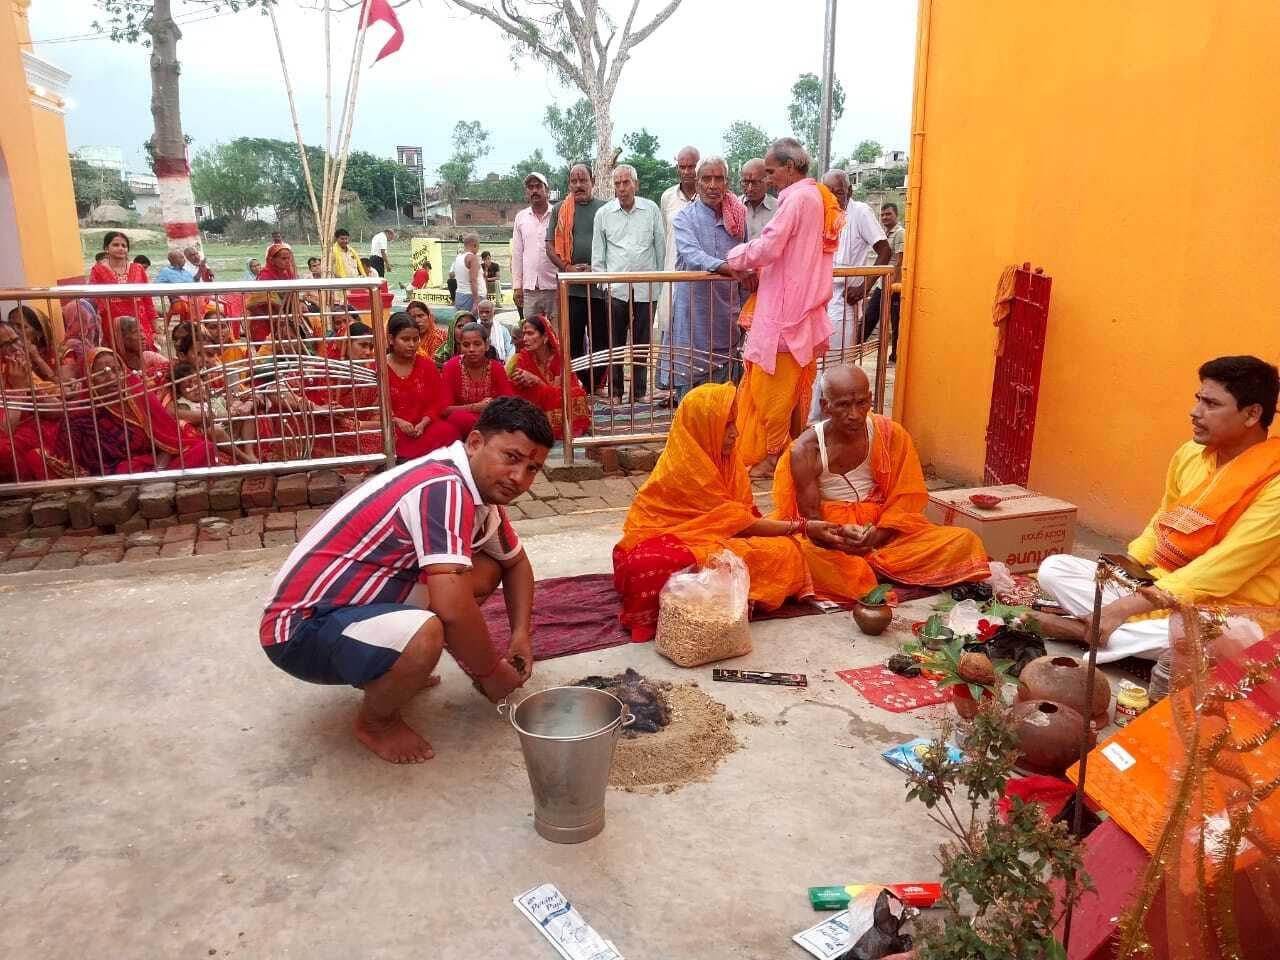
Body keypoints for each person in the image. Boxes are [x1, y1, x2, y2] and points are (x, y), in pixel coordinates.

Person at [259, 397, 551, 763]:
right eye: (511, 458)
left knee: (487, 567)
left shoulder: (476, 492)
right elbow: (454, 608)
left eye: (532, 468)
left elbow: (516, 563)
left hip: (350, 612)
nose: (519, 478)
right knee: (429, 631)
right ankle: (377, 721)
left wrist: (520, 634)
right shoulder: (443, 486)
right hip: (299, 633)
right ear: (475, 443)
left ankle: (393, 667)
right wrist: (491, 673)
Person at [1033, 356, 1280, 663]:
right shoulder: (1191, 454)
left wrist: (1126, 606)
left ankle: (1090, 630)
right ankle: (1107, 632)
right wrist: (1129, 570)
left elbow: (1224, 567)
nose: (1195, 412)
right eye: (1198, 399)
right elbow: (1162, 520)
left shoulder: (1274, 482)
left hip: (1234, 610)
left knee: (1215, 637)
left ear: (1252, 413)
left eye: (1212, 404)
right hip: (1164, 585)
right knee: (1055, 569)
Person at [613, 382, 818, 642]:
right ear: (702, 429)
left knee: (785, 551)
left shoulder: (730, 463)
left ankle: (717, 598)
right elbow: (743, 524)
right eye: (726, 426)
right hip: (671, 543)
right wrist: (802, 526)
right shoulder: (684, 466)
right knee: (646, 565)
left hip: (720, 540)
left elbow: (743, 520)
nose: (735, 433)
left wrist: (792, 530)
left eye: (734, 424)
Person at [772, 366, 990, 599]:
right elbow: (811, 521)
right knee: (795, 555)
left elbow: (905, 500)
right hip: (834, 540)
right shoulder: (805, 450)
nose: (854, 414)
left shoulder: (889, 434)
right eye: (844, 405)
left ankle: (872, 572)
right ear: (826, 406)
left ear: (870, 400)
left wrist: (878, 535)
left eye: (861, 403)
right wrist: (841, 537)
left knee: (963, 541)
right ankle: (879, 572)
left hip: (885, 532)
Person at [726, 138, 846, 476]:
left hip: (785, 313)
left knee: (771, 392)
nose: (767, 179)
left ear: (789, 168)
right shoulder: (816, 198)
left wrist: (732, 257)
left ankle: (775, 454)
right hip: (799, 309)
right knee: (792, 390)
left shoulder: (798, 200)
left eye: (770, 171)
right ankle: (794, 452)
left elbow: (770, 245)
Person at [663, 156, 750, 400]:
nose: (713, 185)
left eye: (719, 178)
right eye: (707, 179)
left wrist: (745, 310)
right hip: (694, 313)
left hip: (727, 315)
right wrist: (727, 267)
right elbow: (692, 255)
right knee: (693, 391)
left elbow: (745, 259)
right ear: (698, 183)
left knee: (726, 397)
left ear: (727, 182)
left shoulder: (738, 218)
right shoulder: (684, 218)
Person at [68, 347, 220, 475]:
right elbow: (86, 465)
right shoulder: (81, 415)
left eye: (117, 370)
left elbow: (169, 439)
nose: (112, 378)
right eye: (102, 373)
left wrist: (158, 469)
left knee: (206, 449)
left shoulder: (140, 397)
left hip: (156, 464)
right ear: (88, 377)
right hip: (119, 473)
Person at [590, 163, 665, 401]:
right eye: (617, 184)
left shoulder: (651, 209)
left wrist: (658, 283)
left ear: (636, 184)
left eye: (626, 182)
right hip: (616, 289)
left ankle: (640, 392)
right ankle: (615, 392)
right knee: (615, 344)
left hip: (646, 288)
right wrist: (604, 285)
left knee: (642, 344)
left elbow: (660, 248)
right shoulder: (604, 214)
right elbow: (598, 254)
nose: (622, 188)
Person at [545, 163, 607, 392]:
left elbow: (614, 246)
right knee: (572, 339)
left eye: (583, 180)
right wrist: (567, 268)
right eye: (574, 181)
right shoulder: (560, 210)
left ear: (593, 180)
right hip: (570, 289)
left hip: (599, 289)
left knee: (601, 338)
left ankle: (597, 383)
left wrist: (598, 269)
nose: (578, 185)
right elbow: (550, 247)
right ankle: (578, 383)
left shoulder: (605, 209)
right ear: (569, 183)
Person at [822, 170, 890, 361]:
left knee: (838, 363)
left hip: (843, 302)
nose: (833, 198)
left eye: (838, 192)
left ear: (849, 191)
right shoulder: (822, 212)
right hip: (820, 300)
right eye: (828, 193)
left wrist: (864, 287)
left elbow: (885, 251)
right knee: (817, 366)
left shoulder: (860, 212)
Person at [0, 319, 73, 482]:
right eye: (4, 345)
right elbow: (5, 431)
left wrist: (27, 386)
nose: (15, 348)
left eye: (16, 340)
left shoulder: (18, 370)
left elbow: (57, 409)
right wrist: (19, 391)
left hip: (37, 437)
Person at [384, 311, 463, 461]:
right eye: (405, 339)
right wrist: (397, 421)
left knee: (449, 431)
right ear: (391, 339)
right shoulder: (379, 367)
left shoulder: (427, 365)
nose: (412, 345)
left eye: (415, 339)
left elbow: (437, 401)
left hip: (424, 427)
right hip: (394, 429)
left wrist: (423, 423)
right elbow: (375, 408)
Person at [507, 313, 589, 440]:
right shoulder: (524, 356)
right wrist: (520, 382)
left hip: (558, 405)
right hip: (537, 405)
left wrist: (536, 380)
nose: (524, 339)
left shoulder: (560, 358)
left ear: (545, 337)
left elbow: (556, 394)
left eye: (530, 333)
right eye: (524, 334)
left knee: (576, 394)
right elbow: (521, 389)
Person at [655, 146, 700, 346]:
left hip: (700, 275)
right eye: (683, 167)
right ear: (677, 169)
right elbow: (667, 233)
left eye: (692, 166)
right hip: (672, 273)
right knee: (670, 329)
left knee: (698, 330)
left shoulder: (709, 196)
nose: (688, 171)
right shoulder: (667, 197)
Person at [441, 322, 515, 436]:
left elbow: (509, 402)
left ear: (486, 345)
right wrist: (475, 407)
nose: (471, 349)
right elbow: (444, 409)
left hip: (490, 418)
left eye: (477, 344)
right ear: (460, 346)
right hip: (462, 421)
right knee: (456, 419)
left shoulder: (496, 368)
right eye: (466, 345)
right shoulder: (451, 367)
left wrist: (490, 405)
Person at [88, 231, 158, 349]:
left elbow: (147, 299)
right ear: (106, 248)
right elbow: (96, 300)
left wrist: (156, 328)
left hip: (140, 323)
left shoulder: (138, 269)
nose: (120, 248)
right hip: (113, 325)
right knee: (118, 359)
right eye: (115, 245)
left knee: (144, 356)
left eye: (124, 246)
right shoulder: (97, 271)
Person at [511, 171, 557, 321]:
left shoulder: (557, 214)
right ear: (527, 192)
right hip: (530, 290)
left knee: (557, 335)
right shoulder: (521, 217)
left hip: (555, 288)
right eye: (530, 187)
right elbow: (517, 254)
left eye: (538, 186)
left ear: (547, 190)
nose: (534, 190)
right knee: (531, 335)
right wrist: (517, 286)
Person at [864, 202, 906, 363]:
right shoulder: (885, 234)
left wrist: (892, 285)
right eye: (882, 215)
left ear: (896, 215)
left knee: (895, 323)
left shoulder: (900, 233)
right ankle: (857, 346)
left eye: (888, 214)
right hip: (883, 284)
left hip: (893, 286)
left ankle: (894, 356)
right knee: (871, 316)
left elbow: (899, 261)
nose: (885, 217)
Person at [6, 305, 58, 382]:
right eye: (10, 325)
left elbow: (61, 387)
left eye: (20, 326)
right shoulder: (8, 356)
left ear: (39, 333)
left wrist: (37, 359)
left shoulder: (59, 354)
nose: (13, 330)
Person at [740, 158, 777, 240]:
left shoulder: (779, 209)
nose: (749, 188)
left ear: (767, 181)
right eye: (745, 182)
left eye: (755, 182)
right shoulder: (733, 207)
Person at [451, 233, 483, 312]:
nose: (478, 249)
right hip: (471, 297)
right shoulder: (472, 258)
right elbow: (473, 280)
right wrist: (476, 301)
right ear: (475, 245)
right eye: (478, 247)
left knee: (462, 322)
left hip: (459, 295)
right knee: (473, 323)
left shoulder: (458, 257)